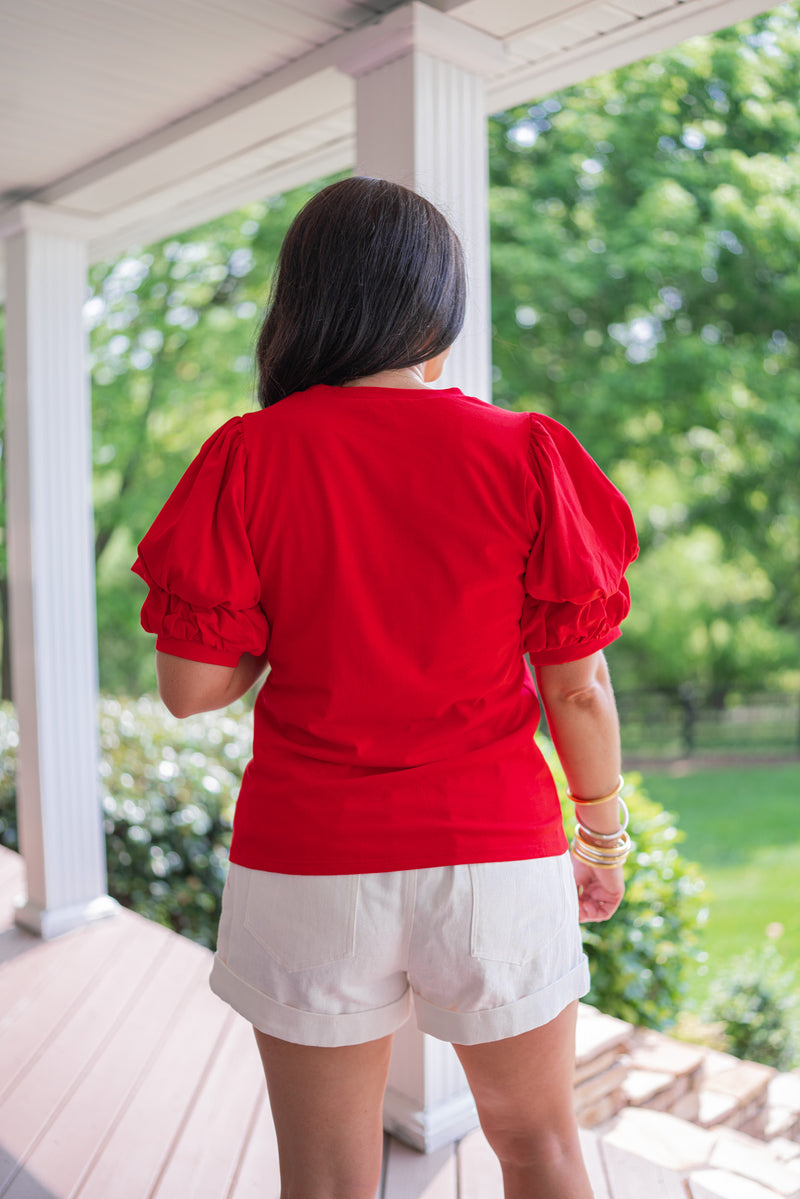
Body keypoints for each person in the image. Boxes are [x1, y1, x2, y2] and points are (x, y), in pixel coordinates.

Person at [132, 176, 638, 1199]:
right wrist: (599, 830)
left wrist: (302, 617)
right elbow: (575, 686)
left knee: (323, 1178)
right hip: (491, 850)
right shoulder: (523, 450)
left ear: (303, 302)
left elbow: (190, 687)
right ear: (433, 307)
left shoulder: (246, 455)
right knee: (539, 1144)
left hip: (307, 854)